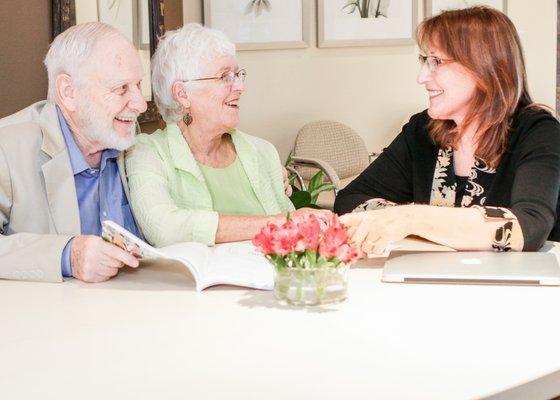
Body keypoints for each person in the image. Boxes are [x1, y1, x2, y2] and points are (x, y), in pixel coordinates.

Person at [335, 6, 560, 254]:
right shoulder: (422, 130)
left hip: (512, 287)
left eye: (437, 62)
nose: (422, 77)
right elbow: (349, 199)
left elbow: (528, 226)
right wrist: (404, 221)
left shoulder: (538, 131)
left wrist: (410, 218)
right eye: (425, 61)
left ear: (482, 68)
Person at [125, 24, 326, 247]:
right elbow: (164, 229)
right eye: (225, 77)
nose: (240, 86)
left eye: (238, 74)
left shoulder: (262, 152)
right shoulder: (149, 153)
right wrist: (278, 222)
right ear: (182, 94)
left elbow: (294, 237)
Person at [0, 22, 146, 283]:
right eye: (122, 88)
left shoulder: (131, 142)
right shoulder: (7, 146)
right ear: (68, 93)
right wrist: (68, 255)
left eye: (138, 85)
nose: (140, 104)